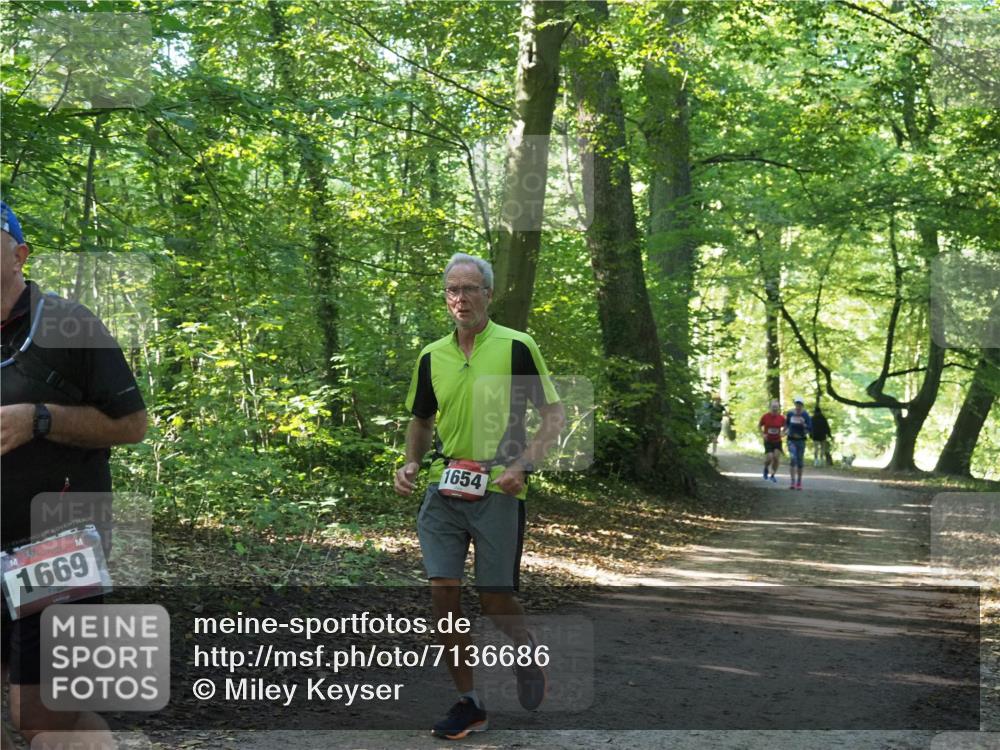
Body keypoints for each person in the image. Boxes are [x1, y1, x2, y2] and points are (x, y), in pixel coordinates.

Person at [393, 252, 565, 740]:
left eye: (470, 288)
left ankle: (523, 649)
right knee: (443, 591)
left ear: (489, 294)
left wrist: (522, 465)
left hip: (498, 489)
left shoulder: (517, 346)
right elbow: (421, 420)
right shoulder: (432, 355)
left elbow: (554, 416)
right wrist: (410, 462)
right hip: (443, 487)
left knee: (494, 600)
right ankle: (470, 702)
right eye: (453, 289)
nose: (461, 298)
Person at [1, 201, 147, 749]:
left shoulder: (70, 324)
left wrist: (39, 419)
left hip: (56, 542)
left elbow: (132, 425)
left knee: (47, 718)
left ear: (19, 255)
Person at [785, 396, 813, 490]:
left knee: (800, 461)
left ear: (802, 405)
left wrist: (804, 425)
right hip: (791, 440)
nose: (798, 406)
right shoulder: (790, 413)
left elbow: (810, 428)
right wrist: (784, 431)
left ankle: (799, 482)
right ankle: (792, 482)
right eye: (797, 404)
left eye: (800, 404)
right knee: (793, 458)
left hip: (801, 440)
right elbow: (786, 424)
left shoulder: (805, 415)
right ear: (795, 404)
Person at [758, 399, 784, 483]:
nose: (775, 409)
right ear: (770, 407)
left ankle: (772, 475)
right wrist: (763, 434)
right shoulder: (765, 417)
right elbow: (759, 426)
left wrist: (783, 432)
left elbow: (787, 426)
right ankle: (766, 468)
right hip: (768, 440)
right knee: (769, 458)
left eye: (776, 407)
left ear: (779, 408)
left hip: (777, 440)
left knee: (776, 458)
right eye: (773, 407)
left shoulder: (781, 418)